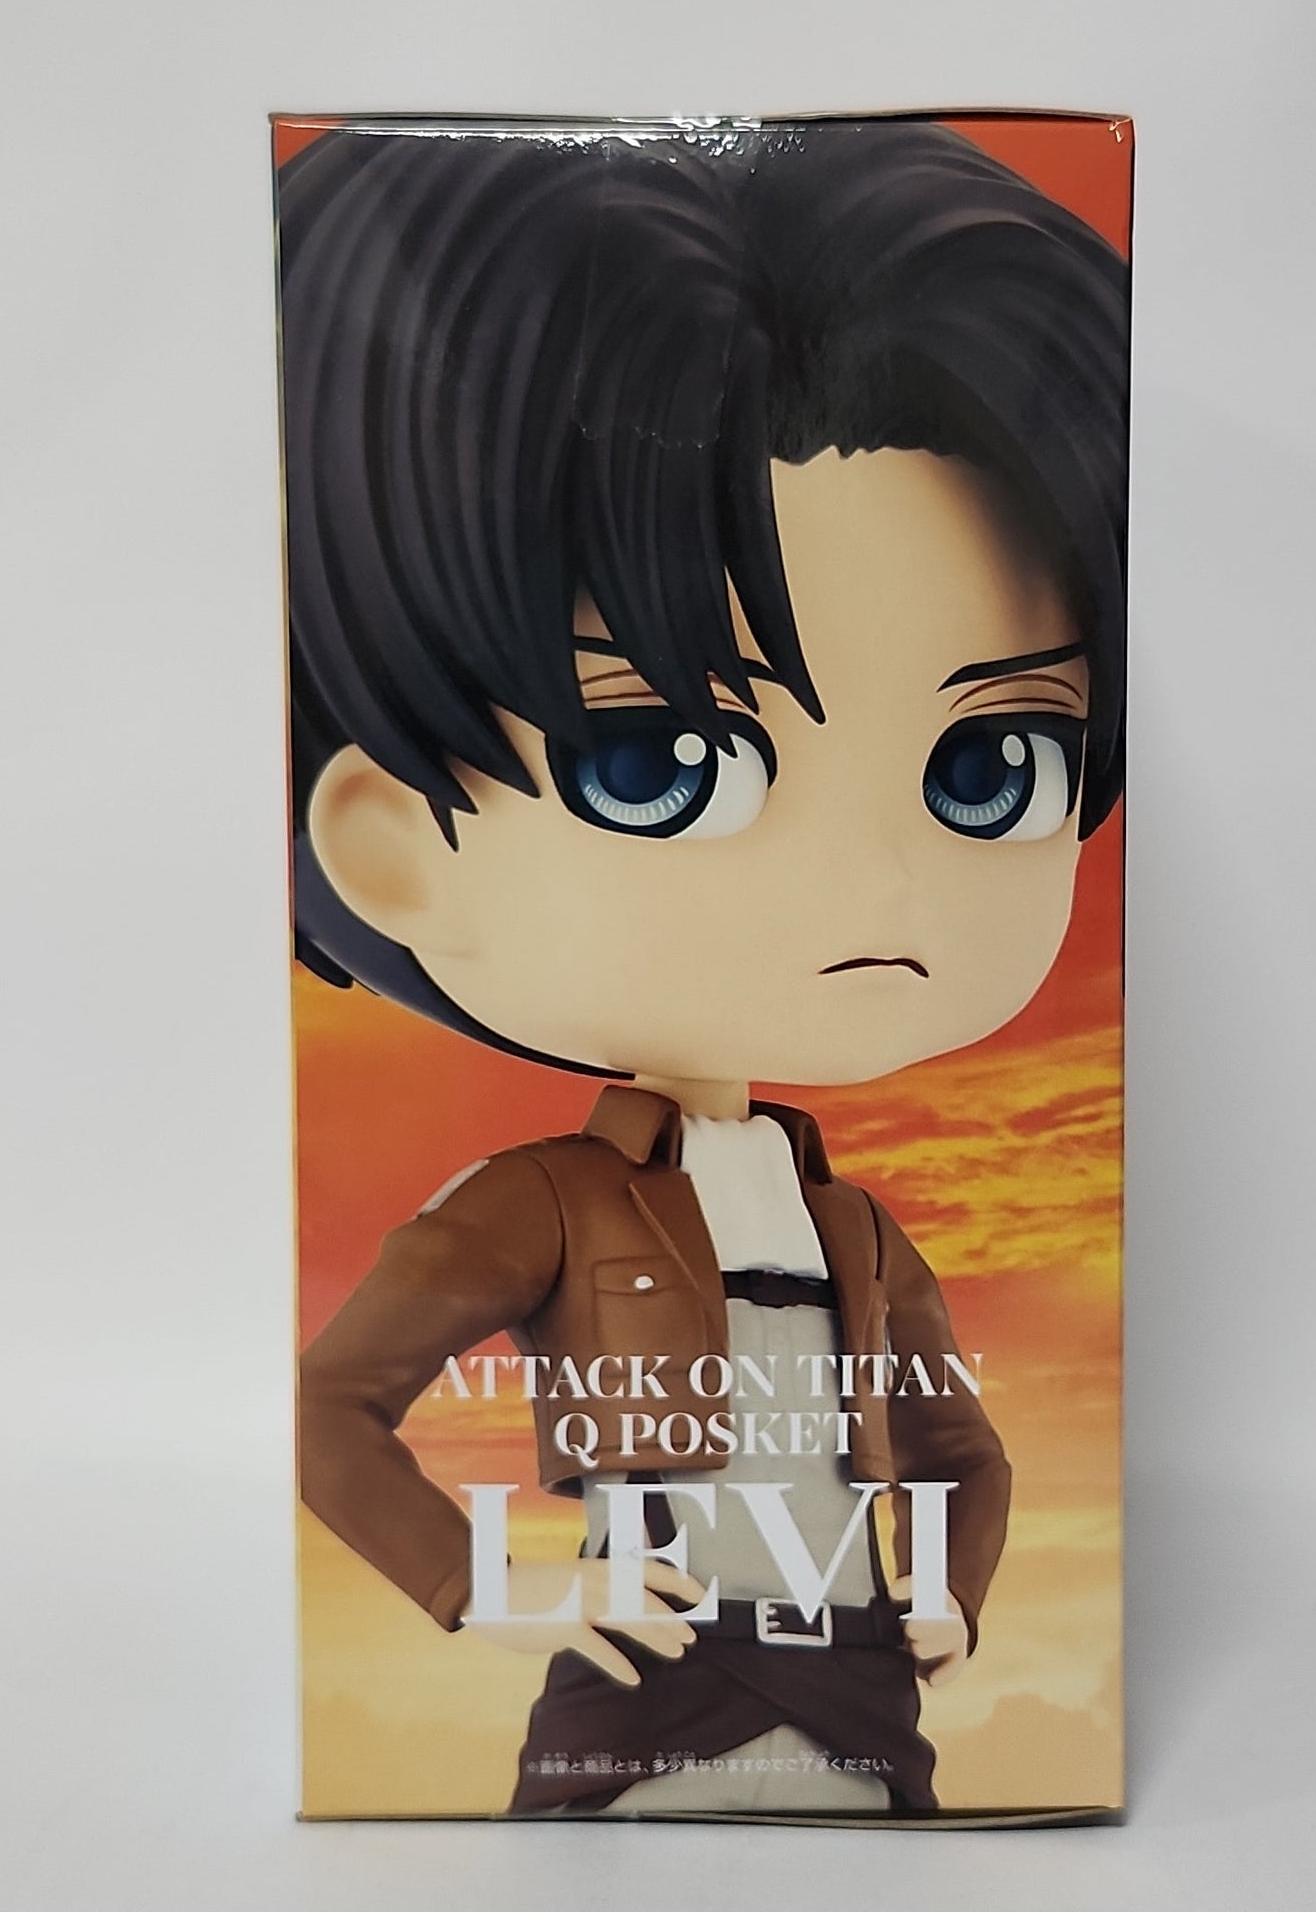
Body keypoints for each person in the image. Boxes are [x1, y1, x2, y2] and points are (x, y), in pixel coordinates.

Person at [278, 117, 1130, 1815]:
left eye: (992, 765)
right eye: (664, 761)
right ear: (387, 838)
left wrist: (952, 1589)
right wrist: (499, 1587)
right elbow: (329, 1408)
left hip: (862, 1669)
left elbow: (960, 1444)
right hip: (654, 1671)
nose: (872, 883)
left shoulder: (854, 1228)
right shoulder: (537, 1203)